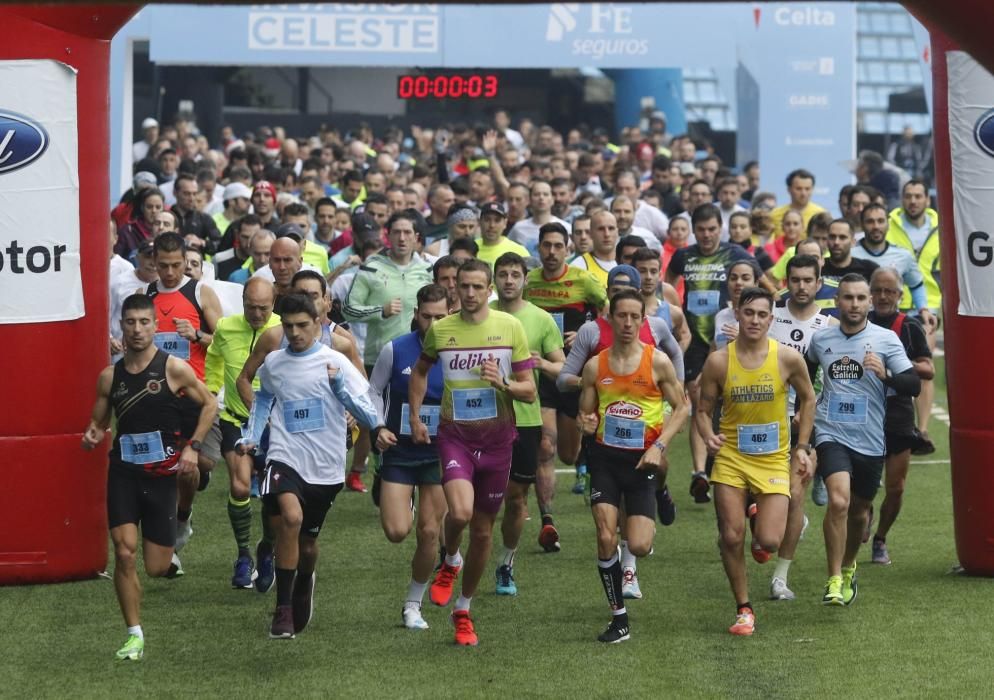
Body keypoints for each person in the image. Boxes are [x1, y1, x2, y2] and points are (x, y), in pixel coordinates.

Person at [236, 293, 380, 639]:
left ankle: (303, 580)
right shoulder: (274, 362)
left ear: (318, 322)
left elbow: (369, 409)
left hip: (326, 466)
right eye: (288, 326)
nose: (295, 333)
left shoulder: (336, 360)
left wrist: (349, 399)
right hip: (285, 457)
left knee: (308, 545)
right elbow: (265, 397)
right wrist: (252, 435)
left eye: (303, 325)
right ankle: (283, 609)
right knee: (291, 518)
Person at [82, 294, 217, 660]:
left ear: (156, 326)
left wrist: (193, 446)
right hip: (124, 475)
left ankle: (178, 531)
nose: (137, 330)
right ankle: (134, 634)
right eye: (130, 323)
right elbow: (98, 421)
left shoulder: (173, 369)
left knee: (156, 567)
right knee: (124, 553)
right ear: (121, 327)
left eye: (144, 322)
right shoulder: (110, 376)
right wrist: (93, 434)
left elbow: (209, 404)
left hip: (161, 480)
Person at [409, 259, 537, 646]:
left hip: (499, 441)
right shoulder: (441, 329)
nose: (468, 293)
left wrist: (504, 383)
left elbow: (529, 389)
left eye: (477, 287)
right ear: (454, 289)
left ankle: (463, 609)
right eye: (462, 286)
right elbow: (419, 371)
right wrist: (415, 416)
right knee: (460, 512)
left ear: (489, 290)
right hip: (455, 438)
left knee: (483, 532)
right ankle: (449, 560)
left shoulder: (510, 327)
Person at [696, 286, 815, 636]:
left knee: (769, 542)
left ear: (772, 318)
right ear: (737, 313)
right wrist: (708, 435)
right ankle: (744, 608)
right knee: (730, 537)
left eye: (763, 314)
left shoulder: (787, 358)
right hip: (732, 457)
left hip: (773, 459)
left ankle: (757, 516)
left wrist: (802, 446)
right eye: (749, 313)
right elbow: (703, 411)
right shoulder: (719, 360)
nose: (755, 320)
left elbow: (808, 399)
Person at [578, 288, 688, 643]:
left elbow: (682, 408)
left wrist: (659, 446)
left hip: (643, 462)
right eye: (620, 316)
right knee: (606, 535)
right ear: (610, 318)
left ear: (643, 320)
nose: (627, 323)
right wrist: (586, 423)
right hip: (606, 460)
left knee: (638, 545)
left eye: (634, 317)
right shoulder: (597, 365)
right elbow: (586, 412)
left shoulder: (657, 362)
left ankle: (660, 490)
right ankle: (618, 618)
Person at [807, 274, 921, 606]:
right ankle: (833, 578)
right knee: (838, 502)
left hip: (870, 438)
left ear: (869, 302)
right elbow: (803, 374)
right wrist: (802, 410)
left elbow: (913, 384)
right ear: (837, 301)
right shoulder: (821, 339)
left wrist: (885, 374)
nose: (854, 304)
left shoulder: (885, 340)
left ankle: (848, 565)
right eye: (847, 298)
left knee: (858, 512)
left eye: (860, 298)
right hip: (831, 432)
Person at [664, 204, 762, 502]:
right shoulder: (684, 255)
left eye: (712, 229)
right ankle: (699, 473)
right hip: (695, 339)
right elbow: (667, 285)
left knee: (728, 404)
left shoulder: (736, 255)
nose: (706, 235)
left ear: (721, 228)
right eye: (701, 229)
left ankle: (727, 460)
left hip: (729, 331)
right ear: (694, 230)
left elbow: (763, 281)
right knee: (698, 399)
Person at [369, 284, 450, 630]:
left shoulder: (459, 351)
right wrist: (377, 426)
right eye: (427, 316)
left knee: (429, 532)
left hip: (440, 452)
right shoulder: (395, 349)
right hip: (400, 450)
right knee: (396, 531)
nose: (433, 323)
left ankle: (413, 605)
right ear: (416, 314)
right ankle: (406, 505)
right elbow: (372, 390)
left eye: (441, 317)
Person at [524, 223, 608, 545]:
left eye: (558, 246)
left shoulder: (583, 279)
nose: (551, 252)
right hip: (542, 372)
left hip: (574, 372)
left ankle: (583, 466)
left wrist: (587, 330)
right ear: (539, 248)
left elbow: (607, 311)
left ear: (568, 248)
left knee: (570, 455)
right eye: (546, 245)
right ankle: (547, 520)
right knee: (545, 446)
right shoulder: (528, 282)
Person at [145, 232, 223, 576]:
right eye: (163, 265)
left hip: (196, 395)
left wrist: (197, 336)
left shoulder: (199, 291)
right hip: (158, 395)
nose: (171, 272)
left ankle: (184, 514)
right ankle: (171, 543)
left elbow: (224, 341)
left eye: (177, 265)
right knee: (168, 470)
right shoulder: (145, 295)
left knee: (199, 465)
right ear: (154, 261)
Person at [490, 252, 565, 594]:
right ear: (494, 279)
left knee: (516, 497)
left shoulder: (541, 319)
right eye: (503, 274)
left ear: (525, 280)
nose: (508, 280)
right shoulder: (480, 316)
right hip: (481, 418)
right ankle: (451, 555)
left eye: (515, 274)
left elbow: (562, 366)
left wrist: (541, 364)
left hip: (525, 417)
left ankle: (506, 562)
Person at [204, 277, 283, 590]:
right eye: (251, 307)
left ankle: (267, 548)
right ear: (243, 303)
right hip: (235, 419)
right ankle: (243, 555)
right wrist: (211, 389)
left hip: (274, 426)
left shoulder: (283, 330)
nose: (257, 314)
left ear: (273, 304)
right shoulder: (226, 327)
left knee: (273, 496)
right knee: (239, 487)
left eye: (263, 308)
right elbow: (213, 356)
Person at [766, 254, 837, 599]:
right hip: (764, 422)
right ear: (787, 282)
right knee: (763, 508)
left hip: (807, 422)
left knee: (795, 496)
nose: (802, 286)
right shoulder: (769, 318)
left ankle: (780, 578)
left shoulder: (829, 327)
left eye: (809, 280)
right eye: (795, 279)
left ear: (819, 283)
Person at [867, 267, 934, 565]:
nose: (883, 296)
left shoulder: (909, 326)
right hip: (863, 411)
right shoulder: (859, 321)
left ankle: (881, 538)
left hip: (897, 413)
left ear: (900, 294)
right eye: (878, 290)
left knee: (896, 487)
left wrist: (895, 365)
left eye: (889, 291)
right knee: (861, 485)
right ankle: (863, 515)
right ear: (870, 293)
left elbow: (928, 369)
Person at [886, 180, 941, 452]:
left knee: (923, 365)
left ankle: (923, 429)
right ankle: (894, 426)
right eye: (908, 196)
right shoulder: (888, 223)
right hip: (892, 303)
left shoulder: (941, 226)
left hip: (927, 305)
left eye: (918, 196)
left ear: (927, 200)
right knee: (894, 365)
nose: (913, 201)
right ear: (902, 198)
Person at [344, 210, 435, 372]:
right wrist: (380, 311)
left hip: (421, 356)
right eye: (396, 232)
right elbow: (348, 309)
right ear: (388, 235)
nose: (401, 238)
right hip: (379, 358)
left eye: (407, 232)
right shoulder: (371, 268)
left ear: (416, 237)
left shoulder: (427, 270)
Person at [508, 179, 570, 256]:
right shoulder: (518, 228)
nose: (541, 198)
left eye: (545, 194)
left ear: (552, 199)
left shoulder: (565, 227)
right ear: (530, 200)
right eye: (537, 194)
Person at [769, 169, 826, 239]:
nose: (803, 193)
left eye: (807, 189)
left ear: (812, 189)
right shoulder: (774, 215)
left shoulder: (821, 214)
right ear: (789, 190)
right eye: (799, 189)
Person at [570, 209, 619, 286]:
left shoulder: (627, 261)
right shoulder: (578, 267)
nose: (607, 234)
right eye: (601, 229)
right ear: (591, 233)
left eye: (611, 228)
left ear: (617, 232)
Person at [474, 202, 528, 268]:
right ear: (480, 222)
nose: (492, 225)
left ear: (505, 223)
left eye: (497, 220)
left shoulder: (518, 251)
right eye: (487, 220)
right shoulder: (471, 247)